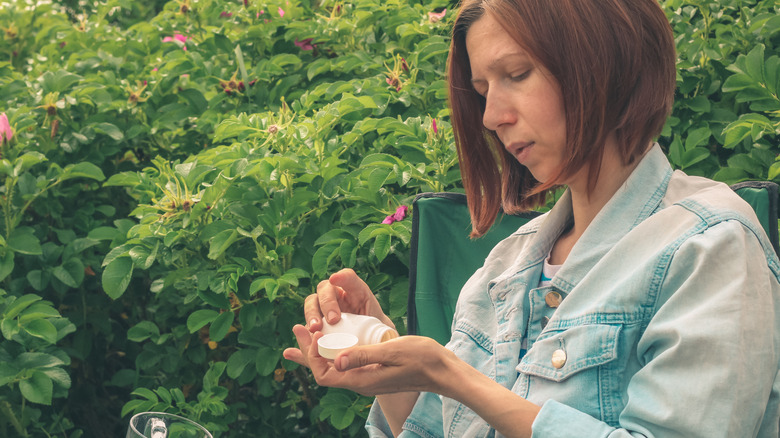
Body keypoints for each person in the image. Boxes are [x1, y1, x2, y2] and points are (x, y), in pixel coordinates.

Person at [283, 0, 780, 436]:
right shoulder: (503, 268)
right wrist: (384, 353)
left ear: (604, 63)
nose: (490, 115)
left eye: (516, 74)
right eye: (482, 90)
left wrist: (453, 376)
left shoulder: (710, 245)